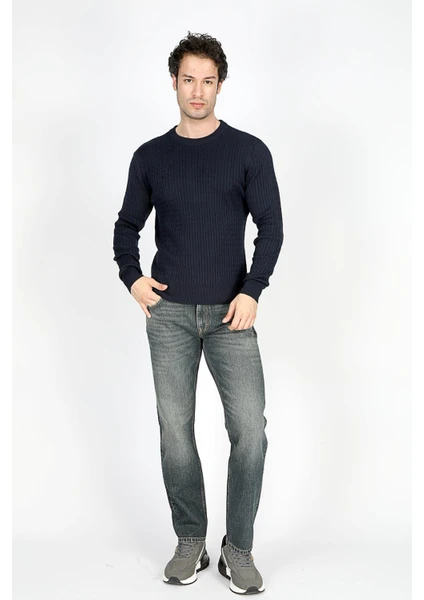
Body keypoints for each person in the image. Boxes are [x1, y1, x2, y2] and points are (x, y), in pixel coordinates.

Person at [113, 31, 284, 595]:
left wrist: (253, 290)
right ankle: (191, 539)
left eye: (208, 81)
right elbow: (126, 227)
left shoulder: (248, 152)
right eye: (188, 79)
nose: (197, 91)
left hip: (233, 314)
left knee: (250, 431)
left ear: (220, 86)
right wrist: (133, 278)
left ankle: (239, 549)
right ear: (174, 82)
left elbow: (271, 227)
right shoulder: (150, 157)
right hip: (169, 316)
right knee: (175, 432)